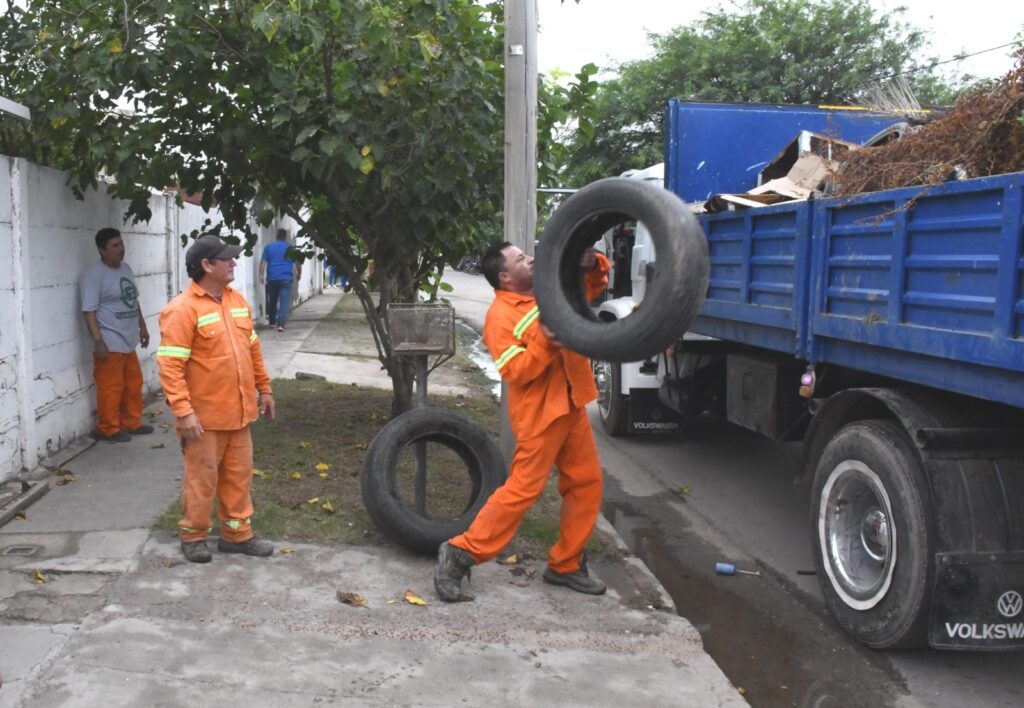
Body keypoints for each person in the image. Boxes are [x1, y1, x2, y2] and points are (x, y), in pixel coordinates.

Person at [434, 241, 611, 602]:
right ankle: (459, 552)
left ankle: (566, 564)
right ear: (504, 276)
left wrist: (592, 264)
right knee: (523, 490)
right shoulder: (500, 317)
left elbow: (589, 290)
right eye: (520, 259)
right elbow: (516, 369)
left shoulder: (550, 291)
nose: (530, 259)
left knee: (586, 483)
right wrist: (544, 341)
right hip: (541, 413)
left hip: (571, 401)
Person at [156, 235, 276, 563]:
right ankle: (193, 535)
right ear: (207, 265)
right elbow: (170, 365)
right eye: (226, 259)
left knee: (239, 477)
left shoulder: (237, 301)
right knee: (202, 479)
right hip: (204, 419)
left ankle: (236, 535)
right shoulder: (181, 310)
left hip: (239, 414)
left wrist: (264, 389)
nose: (234, 263)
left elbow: (252, 350)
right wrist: (183, 411)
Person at [80, 227, 154, 443]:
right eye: (115, 245)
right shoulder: (94, 276)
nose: (121, 249)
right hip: (109, 341)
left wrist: (143, 326)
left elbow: (133, 300)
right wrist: (98, 341)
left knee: (133, 383)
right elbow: (89, 311)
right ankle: (108, 428)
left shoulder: (125, 269)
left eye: (121, 243)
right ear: (102, 250)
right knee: (111, 387)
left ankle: (131, 422)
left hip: (128, 339)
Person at [259, 229, 299, 332]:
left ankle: (272, 322)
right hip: (286, 278)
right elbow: (298, 264)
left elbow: (263, 262)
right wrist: (299, 273)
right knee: (284, 301)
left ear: (276, 236)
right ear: (285, 237)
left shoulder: (269, 247)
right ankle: (280, 325)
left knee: (272, 300)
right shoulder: (290, 249)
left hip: (272, 278)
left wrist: (261, 274)